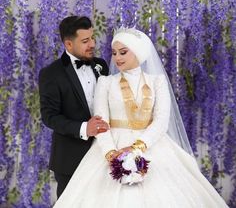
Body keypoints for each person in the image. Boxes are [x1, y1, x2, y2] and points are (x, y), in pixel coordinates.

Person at [53, 27, 229, 207]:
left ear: (139, 52)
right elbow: (100, 123)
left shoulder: (157, 81)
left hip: (151, 145)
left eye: (123, 52)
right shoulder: (105, 82)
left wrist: (137, 148)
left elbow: (161, 121)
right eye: (114, 53)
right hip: (111, 145)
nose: (117, 58)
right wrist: (111, 154)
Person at [38, 16, 109, 198]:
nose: (92, 44)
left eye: (93, 38)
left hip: (104, 154)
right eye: (85, 41)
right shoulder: (51, 74)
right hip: (70, 158)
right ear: (68, 44)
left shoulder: (101, 65)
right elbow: (49, 116)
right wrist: (85, 128)